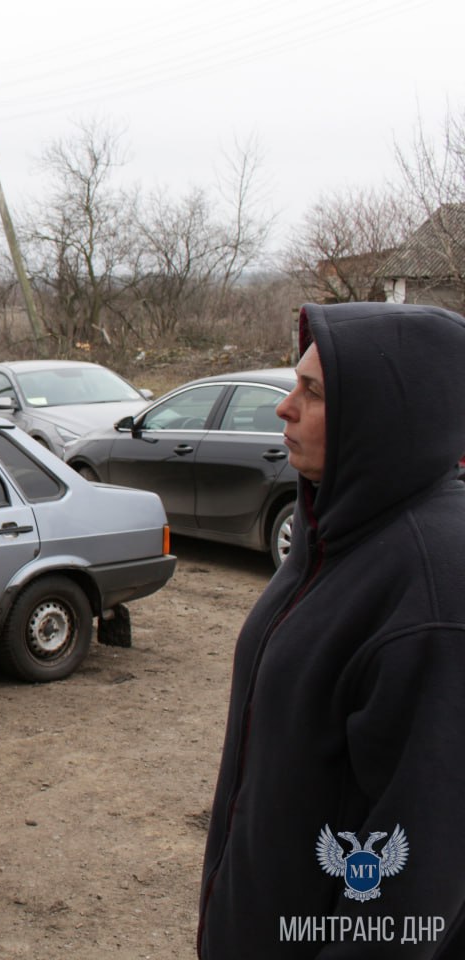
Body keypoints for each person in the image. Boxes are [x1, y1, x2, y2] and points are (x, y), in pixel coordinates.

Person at [198, 302, 465, 957]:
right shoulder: (333, 531)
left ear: (383, 417)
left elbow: (417, 880)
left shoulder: (435, 587)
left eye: (311, 392)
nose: (284, 407)